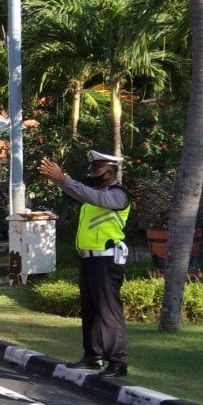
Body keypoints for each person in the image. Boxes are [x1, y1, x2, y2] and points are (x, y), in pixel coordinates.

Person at [37, 150, 132, 378]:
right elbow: (82, 193)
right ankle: (92, 356)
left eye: (97, 170)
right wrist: (60, 181)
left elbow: (91, 196)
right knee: (90, 311)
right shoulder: (95, 195)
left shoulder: (117, 195)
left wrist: (63, 179)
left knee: (108, 312)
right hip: (89, 260)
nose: (92, 174)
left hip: (106, 260)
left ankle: (118, 361)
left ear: (110, 172)